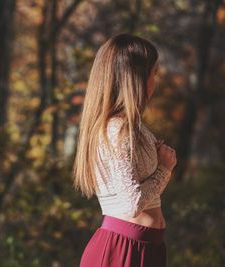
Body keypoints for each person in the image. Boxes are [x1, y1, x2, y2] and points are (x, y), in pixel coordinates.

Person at [72, 33, 177, 267]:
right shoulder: (116, 129)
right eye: (154, 74)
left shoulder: (132, 126)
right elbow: (131, 205)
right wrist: (164, 169)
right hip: (122, 251)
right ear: (137, 78)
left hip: (146, 247)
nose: (155, 82)